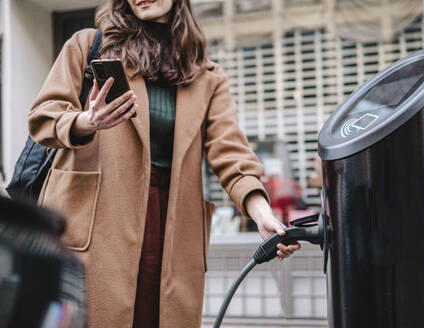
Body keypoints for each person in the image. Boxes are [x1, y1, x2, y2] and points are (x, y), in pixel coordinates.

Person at [28, 0, 300, 327]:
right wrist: (87, 121)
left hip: (171, 228)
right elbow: (44, 118)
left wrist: (260, 212)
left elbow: (231, 153)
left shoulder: (207, 76)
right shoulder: (89, 46)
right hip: (97, 227)